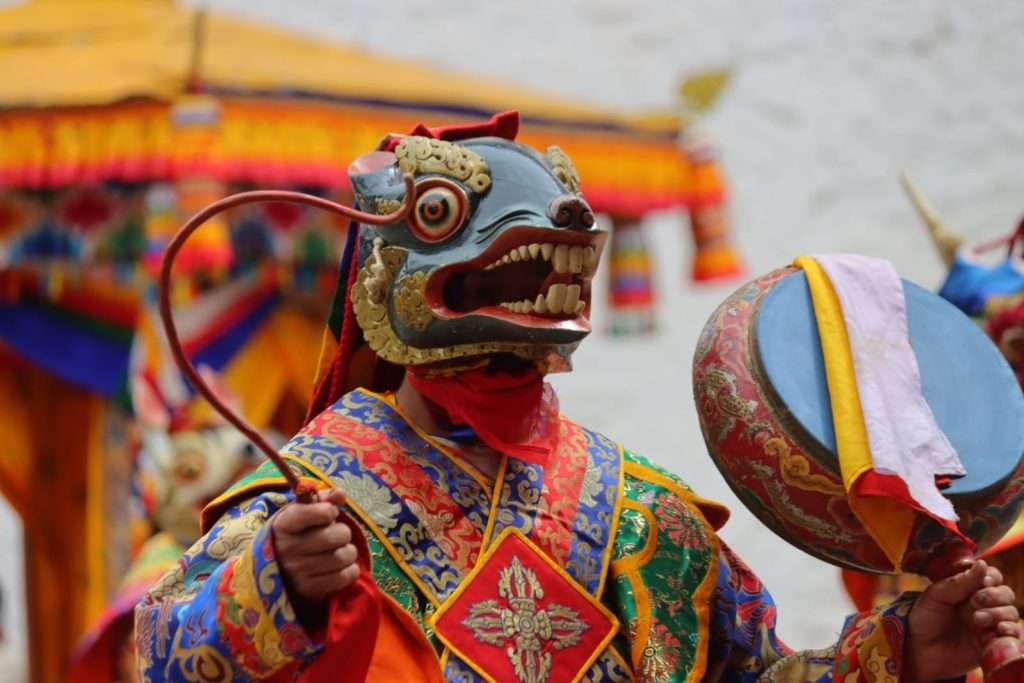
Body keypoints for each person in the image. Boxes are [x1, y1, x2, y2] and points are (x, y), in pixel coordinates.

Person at [135, 112, 1019, 683]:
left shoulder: (646, 514)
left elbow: (756, 678)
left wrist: (899, 653)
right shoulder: (315, 502)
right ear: (383, 275)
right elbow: (162, 651)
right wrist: (276, 583)